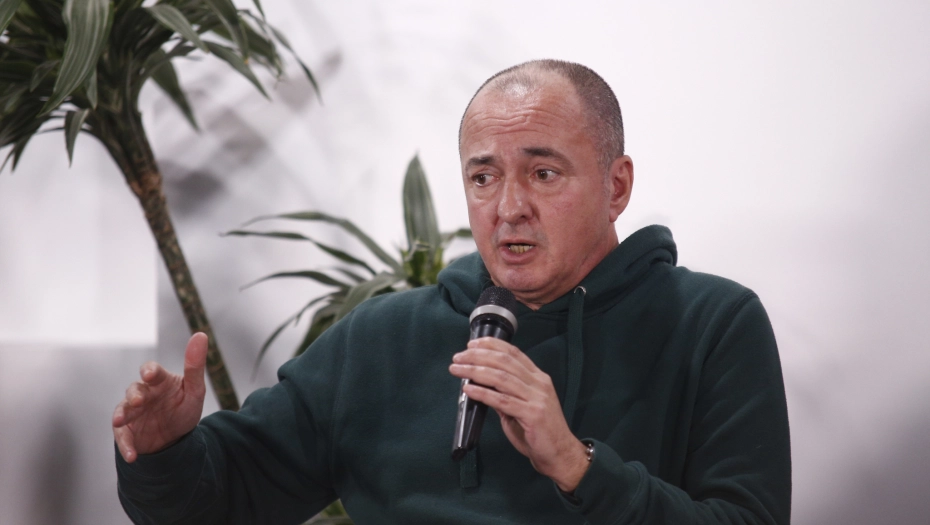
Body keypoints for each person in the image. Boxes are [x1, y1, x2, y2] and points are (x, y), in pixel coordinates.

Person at [113, 59, 791, 524]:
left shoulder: (712, 324)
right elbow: (221, 500)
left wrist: (578, 466)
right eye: (483, 178)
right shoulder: (381, 336)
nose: (509, 208)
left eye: (544, 173)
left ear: (616, 187)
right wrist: (164, 454)